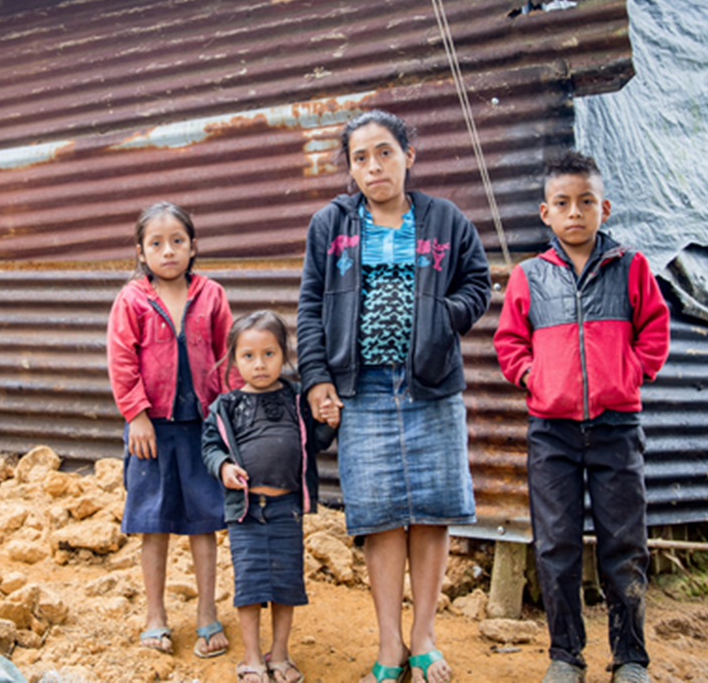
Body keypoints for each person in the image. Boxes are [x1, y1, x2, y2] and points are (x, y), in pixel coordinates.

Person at [296, 110, 491, 683]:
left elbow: (478, 283)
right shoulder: (330, 225)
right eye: (360, 157)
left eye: (384, 152)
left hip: (431, 385)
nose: (373, 166)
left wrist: (442, 316)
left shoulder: (444, 219)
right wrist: (317, 376)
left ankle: (424, 637)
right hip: (362, 389)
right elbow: (310, 305)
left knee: (431, 511)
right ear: (350, 168)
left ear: (409, 155)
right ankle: (389, 647)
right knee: (378, 516)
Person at [493, 151, 670, 683]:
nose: (575, 212)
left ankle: (630, 658)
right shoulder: (529, 276)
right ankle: (565, 656)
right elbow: (509, 343)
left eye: (586, 202)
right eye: (563, 203)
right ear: (545, 212)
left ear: (604, 208)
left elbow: (655, 330)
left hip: (617, 427)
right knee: (556, 545)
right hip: (552, 432)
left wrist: (629, 374)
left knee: (624, 544)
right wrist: (534, 378)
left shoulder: (631, 268)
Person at [106, 202, 233, 659]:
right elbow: (121, 360)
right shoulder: (132, 299)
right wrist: (136, 415)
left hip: (202, 427)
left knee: (205, 520)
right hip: (151, 432)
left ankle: (206, 612)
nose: (168, 251)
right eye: (156, 243)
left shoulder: (212, 295)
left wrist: (229, 414)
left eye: (177, 241)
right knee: (152, 523)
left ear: (193, 246)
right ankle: (155, 615)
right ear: (141, 252)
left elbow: (227, 356)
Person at [202, 311, 337, 683]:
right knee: (249, 586)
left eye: (269, 354)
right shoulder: (225, 406)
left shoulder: (296, 398)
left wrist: (329, 424)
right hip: (246, 512)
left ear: (283, 355)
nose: (259, 364)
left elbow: (314, 444)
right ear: (234, 359)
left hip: (286, 509)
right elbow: (210, 447)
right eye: (248, 356)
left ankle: (279, 654)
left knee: (285, 584)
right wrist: (223, 468)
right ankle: (251, 657)